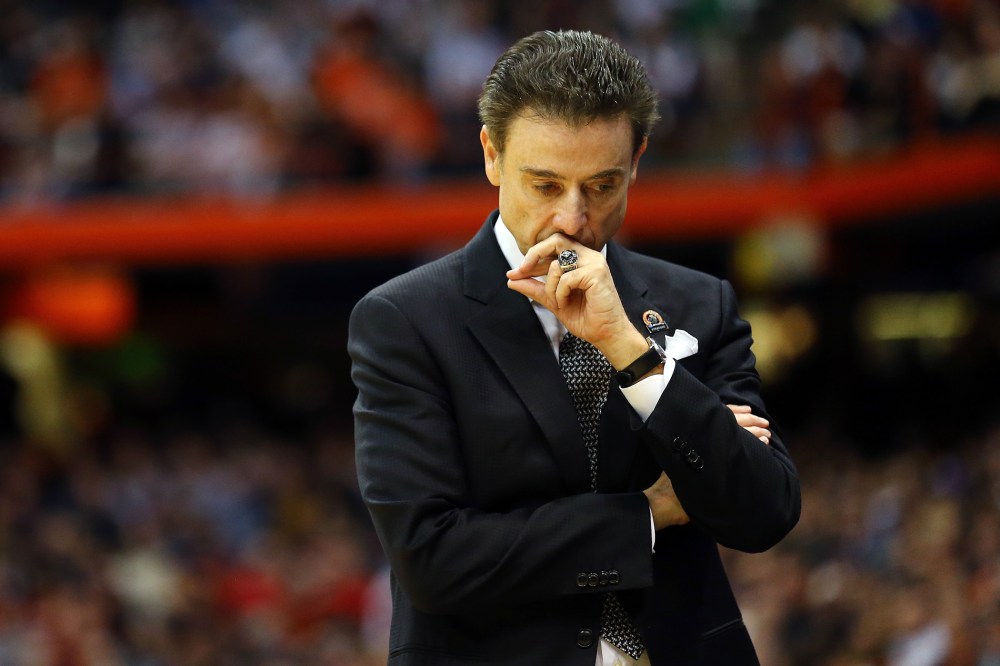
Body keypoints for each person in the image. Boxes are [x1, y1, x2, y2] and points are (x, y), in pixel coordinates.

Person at [348, 30, 800, 666]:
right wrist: (646, 514)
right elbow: (432, 558)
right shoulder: (404, 319)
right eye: (544, 184)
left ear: (637, 159)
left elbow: (764, 510)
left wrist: (629, 349)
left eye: (602, 184)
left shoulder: (700, 303)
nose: (572, 218)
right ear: (491, 155)